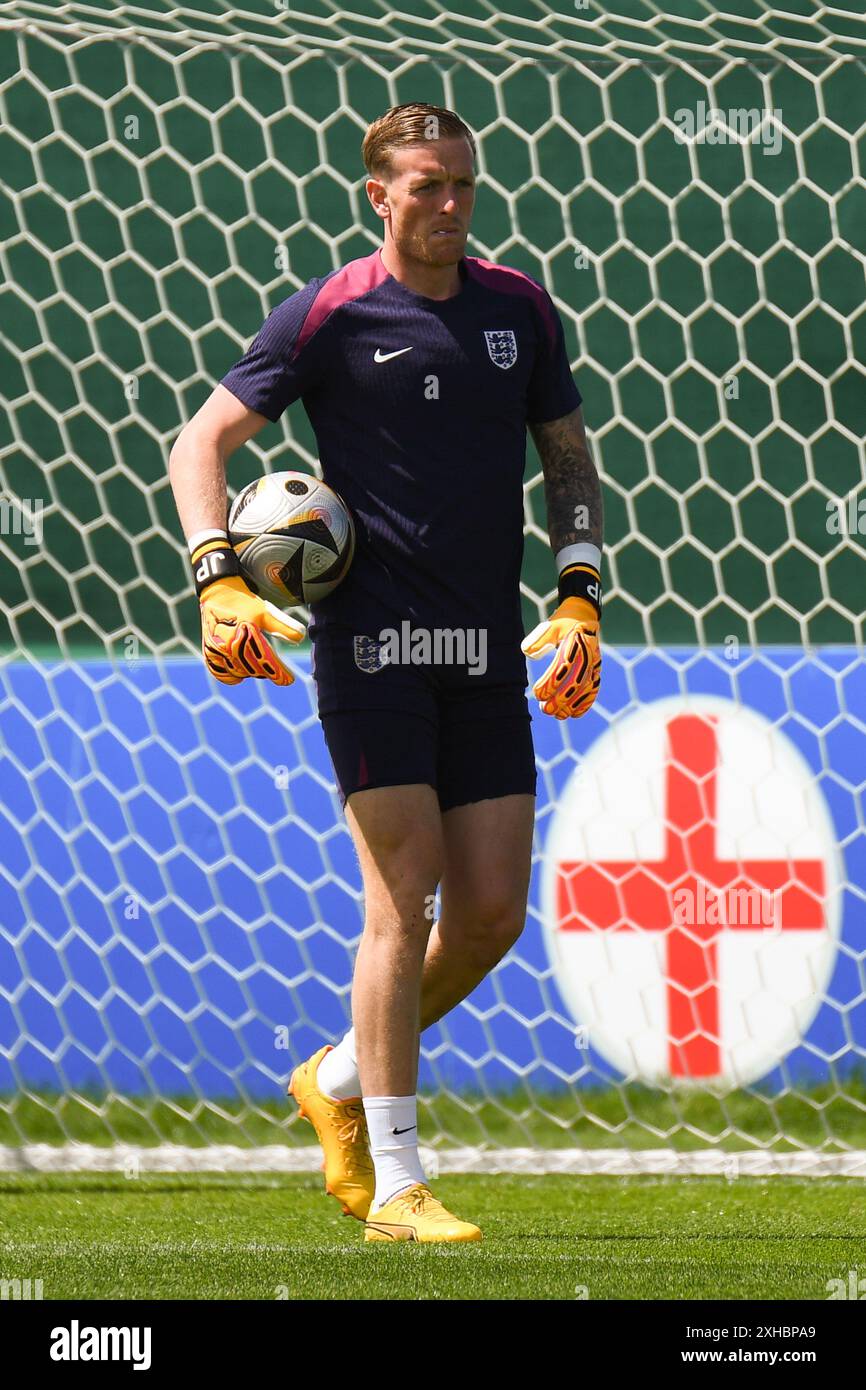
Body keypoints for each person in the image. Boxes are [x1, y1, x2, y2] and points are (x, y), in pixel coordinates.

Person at [168, 102, 603, 1244]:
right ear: (379, 194)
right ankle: (399, 1181)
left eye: (461, 182)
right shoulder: (331, 312)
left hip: (482, 647)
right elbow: (200, 442)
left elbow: (565, 451)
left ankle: (338, 1078)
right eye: (425, 185)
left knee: (492, 914)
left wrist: (575, 590)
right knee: (402, 903)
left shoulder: (516, 309)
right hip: (370, 650)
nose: (449, 204)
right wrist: (219, 578)